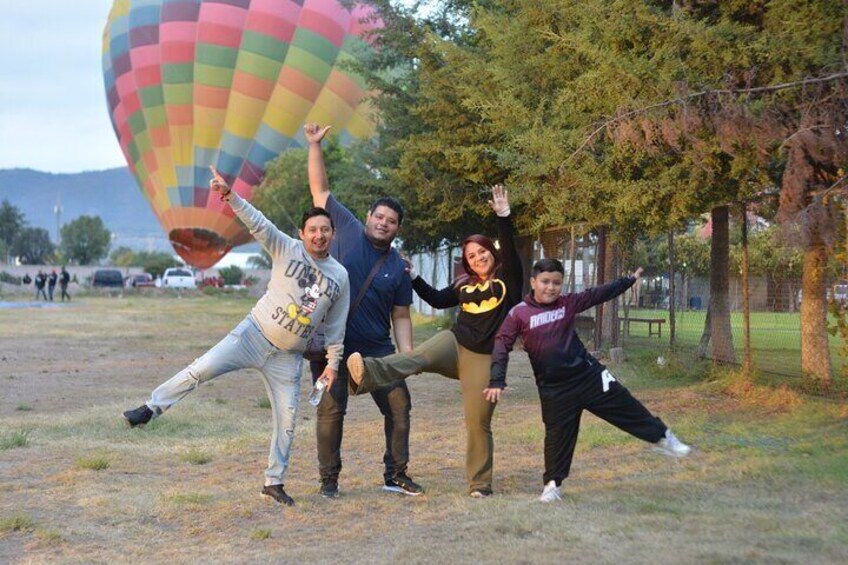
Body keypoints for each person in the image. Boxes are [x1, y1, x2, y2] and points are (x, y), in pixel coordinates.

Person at [122, 167, 350, 506]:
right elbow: (257, 222)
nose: (319, 235)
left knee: (287, 423)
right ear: (301, 233)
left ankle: (273, 482)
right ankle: (151, 408)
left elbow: (336, 326)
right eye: (312, 230)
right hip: (253, 334)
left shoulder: (340, 276)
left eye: (325, 230)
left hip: (288, 357)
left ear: (333, 234)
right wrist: (229, 196)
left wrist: (333, 365)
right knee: (202, 368)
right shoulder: (285, 248)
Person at [346, 184, 523, 498]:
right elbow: (437, 300)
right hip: (454, 343)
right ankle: (365, 373)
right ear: (466, 262)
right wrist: (414, 278)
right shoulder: (464, 285)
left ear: (491, 254)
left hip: (484, 358)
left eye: (482, 252)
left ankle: (480, 485)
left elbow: (509, 249)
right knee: (416, 358)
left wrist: (503, 216)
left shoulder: (507, 281)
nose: (478, 258)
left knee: (477, 421)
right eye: (472, 255)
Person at [486, 259, 692, 503]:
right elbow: (501, 345)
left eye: (556, 283)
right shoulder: (518, 313)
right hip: (554, 389)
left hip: (588, 376)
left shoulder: (568, 303)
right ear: (533, 282)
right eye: (545, 282)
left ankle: (663, 437)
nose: (551, 287)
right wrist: (497, 379)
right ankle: (552, 485)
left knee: (626, 404)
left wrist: (628, 281)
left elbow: (598, 294)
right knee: (557, 436)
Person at [305, 123, 420, 498]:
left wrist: (406, 356)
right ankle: (329, 483)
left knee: (399, 406)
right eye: (379, 216)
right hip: (331, 347)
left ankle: (396, 475)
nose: (383, 223)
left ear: (397, 228)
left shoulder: (398, 267)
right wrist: (315, 146)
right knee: (331, 413)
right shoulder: (348, 229)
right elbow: (320, 190)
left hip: (375, 350)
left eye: (391, 221)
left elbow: (401, 314)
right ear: (369, 215)